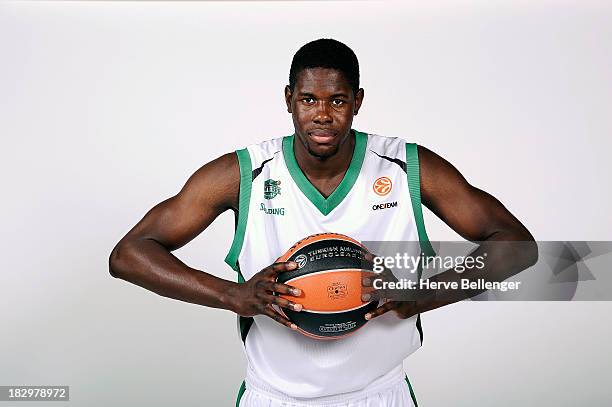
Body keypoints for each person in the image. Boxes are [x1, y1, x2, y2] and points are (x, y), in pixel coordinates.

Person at [109, 38, 537, 406]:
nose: (322, 115)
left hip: (378, 394)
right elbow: (129, 254)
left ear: (358, 101)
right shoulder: (242, 174)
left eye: (337, 100)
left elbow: (517, 245)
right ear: (288, 99)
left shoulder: (407, 167)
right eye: (308, 99)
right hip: (274, 397)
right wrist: (230, 294)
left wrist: (423, 293)